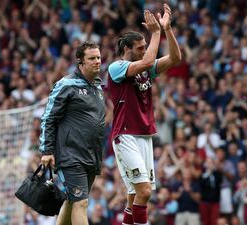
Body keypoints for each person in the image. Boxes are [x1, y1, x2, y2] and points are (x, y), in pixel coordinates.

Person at [107, 4, 181, 225]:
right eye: (140, 47)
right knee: (145, 191)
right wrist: (156, 32)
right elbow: (148, 61)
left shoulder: (145, 68)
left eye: (144, 46)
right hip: (126, 134)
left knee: (134, 195)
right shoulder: (117, 67)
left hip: (144, 134)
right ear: (126, 49)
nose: (144, 50)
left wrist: (167, 30)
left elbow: (176, 58)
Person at [39, 41, 105, 225]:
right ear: (80, 62)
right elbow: (48, 118)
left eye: (99, 57)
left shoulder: (98, 87)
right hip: (70, 155)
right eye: (92, 58)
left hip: (91, 156)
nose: (97, 61)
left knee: (73, 200)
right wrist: (46, 151)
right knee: (81, 202)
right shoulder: (66, 84)